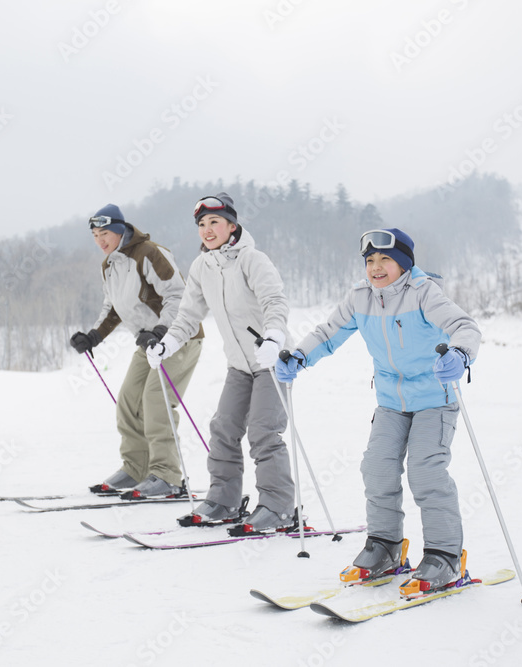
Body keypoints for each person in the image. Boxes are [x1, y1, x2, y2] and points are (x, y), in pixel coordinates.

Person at [276, 228, 481, 594]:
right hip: (390, 401)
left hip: (435, 398)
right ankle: (385, 547)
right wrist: (301, 356)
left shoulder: (424, 293)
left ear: (403, 264)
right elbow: (328, 332)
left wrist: (460, 354)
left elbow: (463, 326)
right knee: (377, 468)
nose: (376, 267)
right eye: (370, 261)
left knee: (425, 472)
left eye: (385, 259)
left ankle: (444, 556)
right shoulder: (360, 298)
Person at [146, 192, 296, 533]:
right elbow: (187, 315)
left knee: (263, 432)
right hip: (239, 365)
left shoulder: (253, 260)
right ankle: (223, 500)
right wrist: (166, 343)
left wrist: (274, 337)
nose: (207, 230)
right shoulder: (202, 267)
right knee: (223, 429)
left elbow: (275, 301)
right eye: (201, 224)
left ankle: (278, 506)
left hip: (271, 360)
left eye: (215, 222)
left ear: (232, 225)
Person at [70, 204, 204, 498]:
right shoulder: (109, 265)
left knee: (155, 401)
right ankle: (136, 469)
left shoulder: (150, 254)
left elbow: (178, 295)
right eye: (94, 235)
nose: (99, 240)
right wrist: (93, 336)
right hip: (148, 345)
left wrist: (160, 331)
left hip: (179, 338)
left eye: (104, 233)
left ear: (119, 230)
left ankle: (167, 476)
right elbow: (113, 307)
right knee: (129, 401)